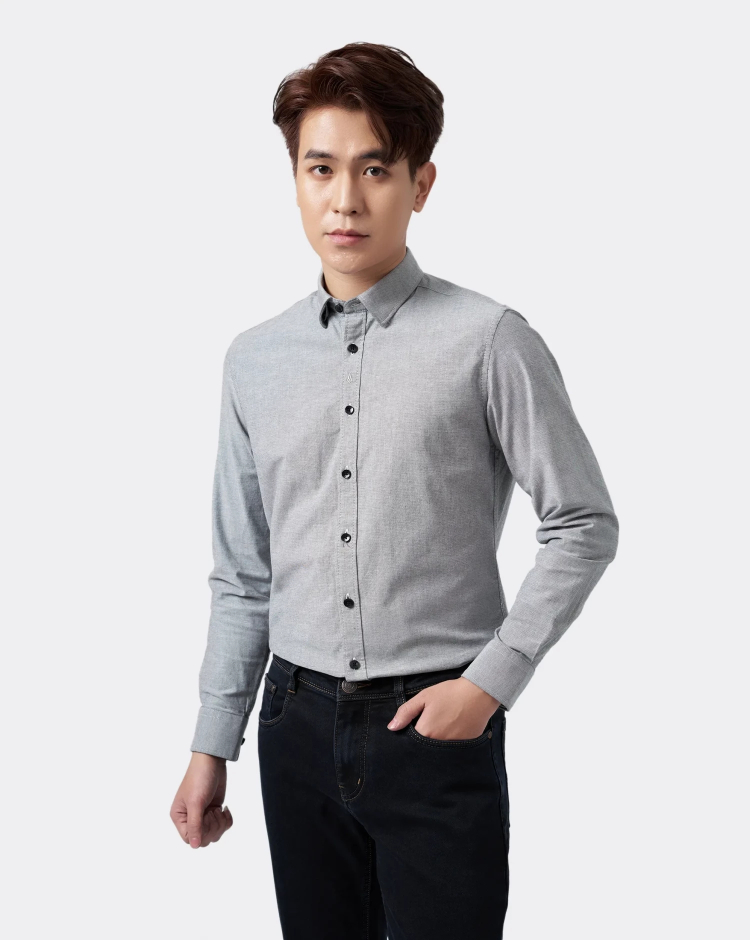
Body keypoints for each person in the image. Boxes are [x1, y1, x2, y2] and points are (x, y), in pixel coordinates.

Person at [170, 41, 619, 939]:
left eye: (375, 169)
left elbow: (582, 523)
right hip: (294, 726)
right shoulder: (253, 360)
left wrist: (489, 684)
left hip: (436, 723)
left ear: (421, 184)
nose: (345, 199)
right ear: (295, 179)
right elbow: (244, 575)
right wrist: (212, 740)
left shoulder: (490, 340)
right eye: (321, 168)